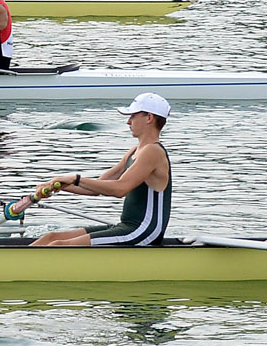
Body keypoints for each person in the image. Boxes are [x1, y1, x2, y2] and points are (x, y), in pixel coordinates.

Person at [13, 92, 174, 247]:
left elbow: (119, 189)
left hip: (143, 232)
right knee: (51, 237)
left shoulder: (153, 152)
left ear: (149, 118)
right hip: (127, 227)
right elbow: (97, 187)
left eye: (133, 116)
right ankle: (12, 266)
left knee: (59, 245)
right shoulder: (134, 151)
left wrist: (75, 178)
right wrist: (59, 185)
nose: (128, 121)